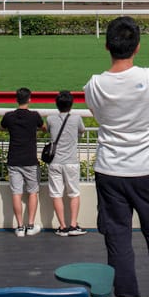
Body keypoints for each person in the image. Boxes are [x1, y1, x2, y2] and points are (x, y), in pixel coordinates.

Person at [84, 16, 149, 297]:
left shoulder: (94, 85)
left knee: (117, 239)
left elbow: (97, 115)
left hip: (109, 171)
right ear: (137, 47)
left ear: (107, 46)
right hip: (147, 171)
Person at [1, 87, 44, 237]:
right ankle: (30, 225)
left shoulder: (9, 116)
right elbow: (43, 128)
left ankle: (19, 227)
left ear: (16, 99)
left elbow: (1, 128)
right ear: (29, 99)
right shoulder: (34, 116)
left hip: (14, 159)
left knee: (16, 193)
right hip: (30, 160)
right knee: (33, 192)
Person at [45, 90, 86, 237]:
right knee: (74, 193)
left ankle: (62, 226)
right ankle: (73, 225)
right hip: (71, 162)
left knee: (56, 194)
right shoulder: (76, 118)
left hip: (55, 162)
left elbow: (49, 132)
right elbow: (82, 131)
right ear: (71, 104)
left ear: (57, 104)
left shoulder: (50, 119)